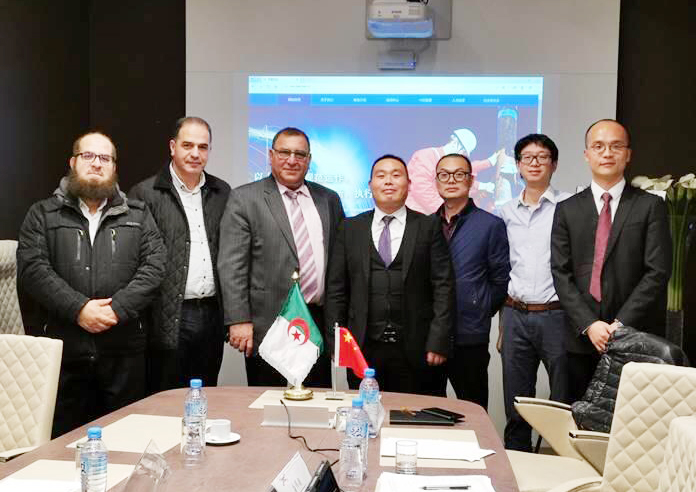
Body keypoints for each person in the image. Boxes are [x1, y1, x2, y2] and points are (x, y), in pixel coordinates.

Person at [17, 132, 166, 437]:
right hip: (65, 353)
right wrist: (79, 309)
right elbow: (33, 269)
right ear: (73, 162)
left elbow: (155, 267)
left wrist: (116, 309)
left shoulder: (139, 214)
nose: (97, 164)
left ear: (114, 168)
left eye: (105, 158)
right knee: (62, 444)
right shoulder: (42, 214)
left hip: (124, 353)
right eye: (88, 156)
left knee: (124, 439)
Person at [551, 119, 672, 402]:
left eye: (616, 146)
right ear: (586, 154)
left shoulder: (650, 206)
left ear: (628, 154)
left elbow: (657, 271)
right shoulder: (567, 209)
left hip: (634, 336)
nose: (607, 153)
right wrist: (590, 324)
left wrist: (621, 324)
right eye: (598, 146)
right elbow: (560, 272)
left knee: (631, 419)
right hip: (581, 338)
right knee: (577, 416)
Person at [219, 127, 344, 387]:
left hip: (317, 322)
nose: (292, 160)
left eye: (300, 154)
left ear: (309, 159)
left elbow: (339, 266)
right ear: (271, 155)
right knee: (268, 402)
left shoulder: (328, 199)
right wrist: (239, 319)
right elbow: (232, 265)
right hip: (268, 324)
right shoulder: (245, 198)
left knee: (316, 401)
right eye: (284, 152)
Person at [325, 154, 453, 394]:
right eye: (381, 175)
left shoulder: (428, 226)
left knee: (415, 412)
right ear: (370, 185)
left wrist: (438, 340)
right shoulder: (350, 228)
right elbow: (336, 290)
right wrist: (336, 342)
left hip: (416, 348)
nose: (388, 181)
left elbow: (443, 287)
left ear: (409, 184)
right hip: (363, 348)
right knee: (366, 412)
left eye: (396, 175)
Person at [129, 117, 231, 391]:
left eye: (203, 147)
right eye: (188, 145)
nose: (195, 153)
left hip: (211, 313)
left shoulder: (222, 192)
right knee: (166, 395)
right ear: (173, 147)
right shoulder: (145, 193)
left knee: (205, 392)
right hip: (167, 313)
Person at [499, 134, 571, 451]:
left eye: (543, 157)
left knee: (564, 400)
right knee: (516, 403)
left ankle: (563, 467)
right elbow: (502, 269)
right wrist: (502, 324)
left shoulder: (569, 207)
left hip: (557, 315)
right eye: (527, 157)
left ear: (554, 164)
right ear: (518, 165)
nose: (535, 163)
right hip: (514, 314)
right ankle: (517, 463)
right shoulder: (504, 212)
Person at [434, 153, 510, 408]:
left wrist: (479, 307)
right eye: (444, 175)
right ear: (436, 181)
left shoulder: (490, 225)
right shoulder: (425, 225)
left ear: (471, 180)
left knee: (473, 409)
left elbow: (501, 279)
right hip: (431, 336)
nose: (451, 180)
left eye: (459, 174)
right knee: (429, 410)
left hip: (470, 336)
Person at [405, 128, 514, 214]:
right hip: (414, 214)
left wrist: (488, 163)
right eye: (463, 152)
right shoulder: (427, 156)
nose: (462, 156)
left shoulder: (445, 163)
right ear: (455, 143)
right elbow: (421, 188)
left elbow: (464, 172)